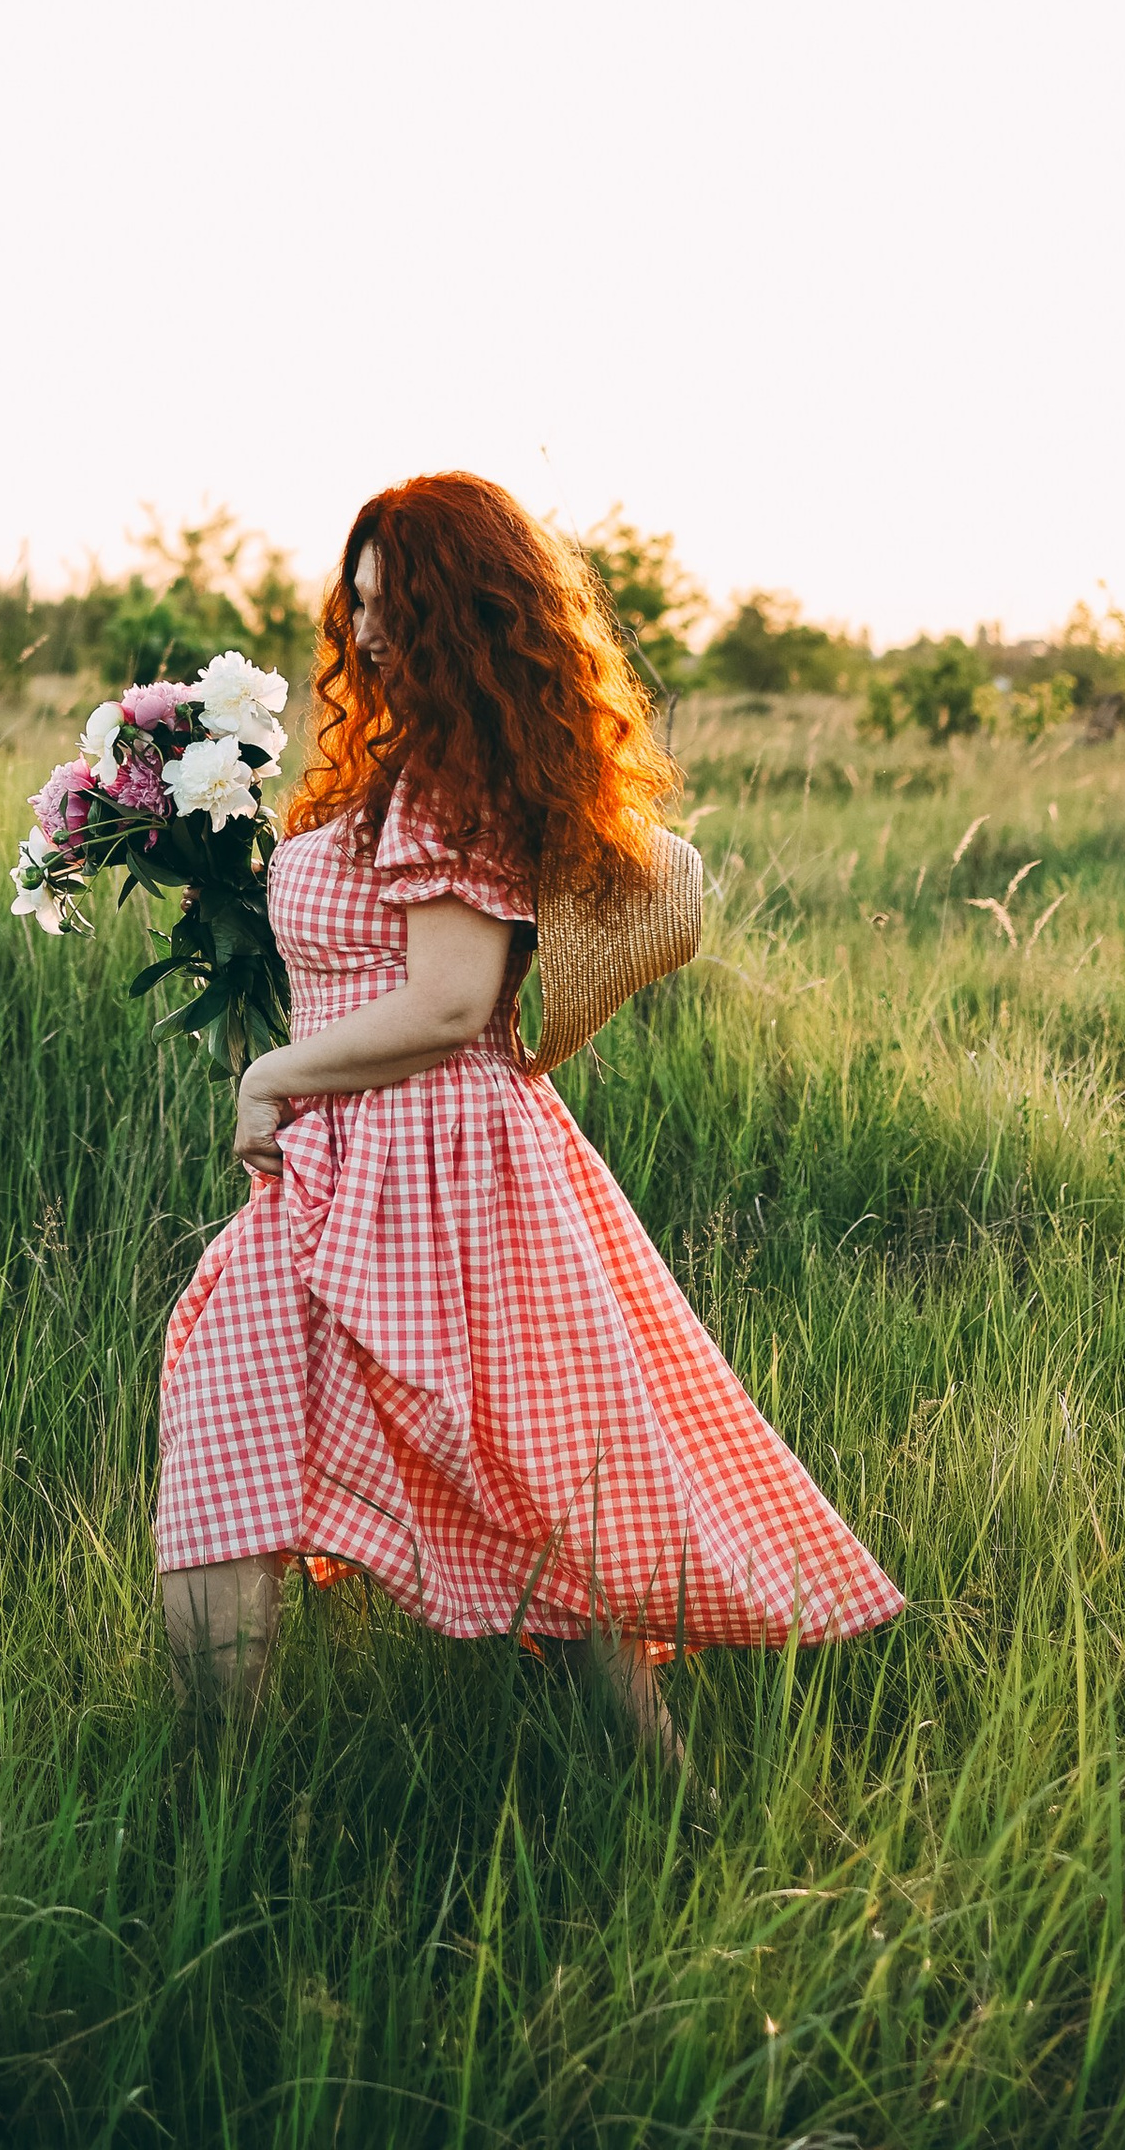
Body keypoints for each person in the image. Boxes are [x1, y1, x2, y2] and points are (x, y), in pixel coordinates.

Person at [154, 470, 902, 1740]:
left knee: (526, 1505)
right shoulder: (408, 768)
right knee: (247, 1426)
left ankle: (653, 1811)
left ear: (469, 614)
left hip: (438, 1168)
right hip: (362, 1166)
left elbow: (450, 1004)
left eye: (402, 606)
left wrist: (273, 1072)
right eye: (363, 601)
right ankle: (208, 1801)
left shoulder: (449, 782)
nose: (372, 629)